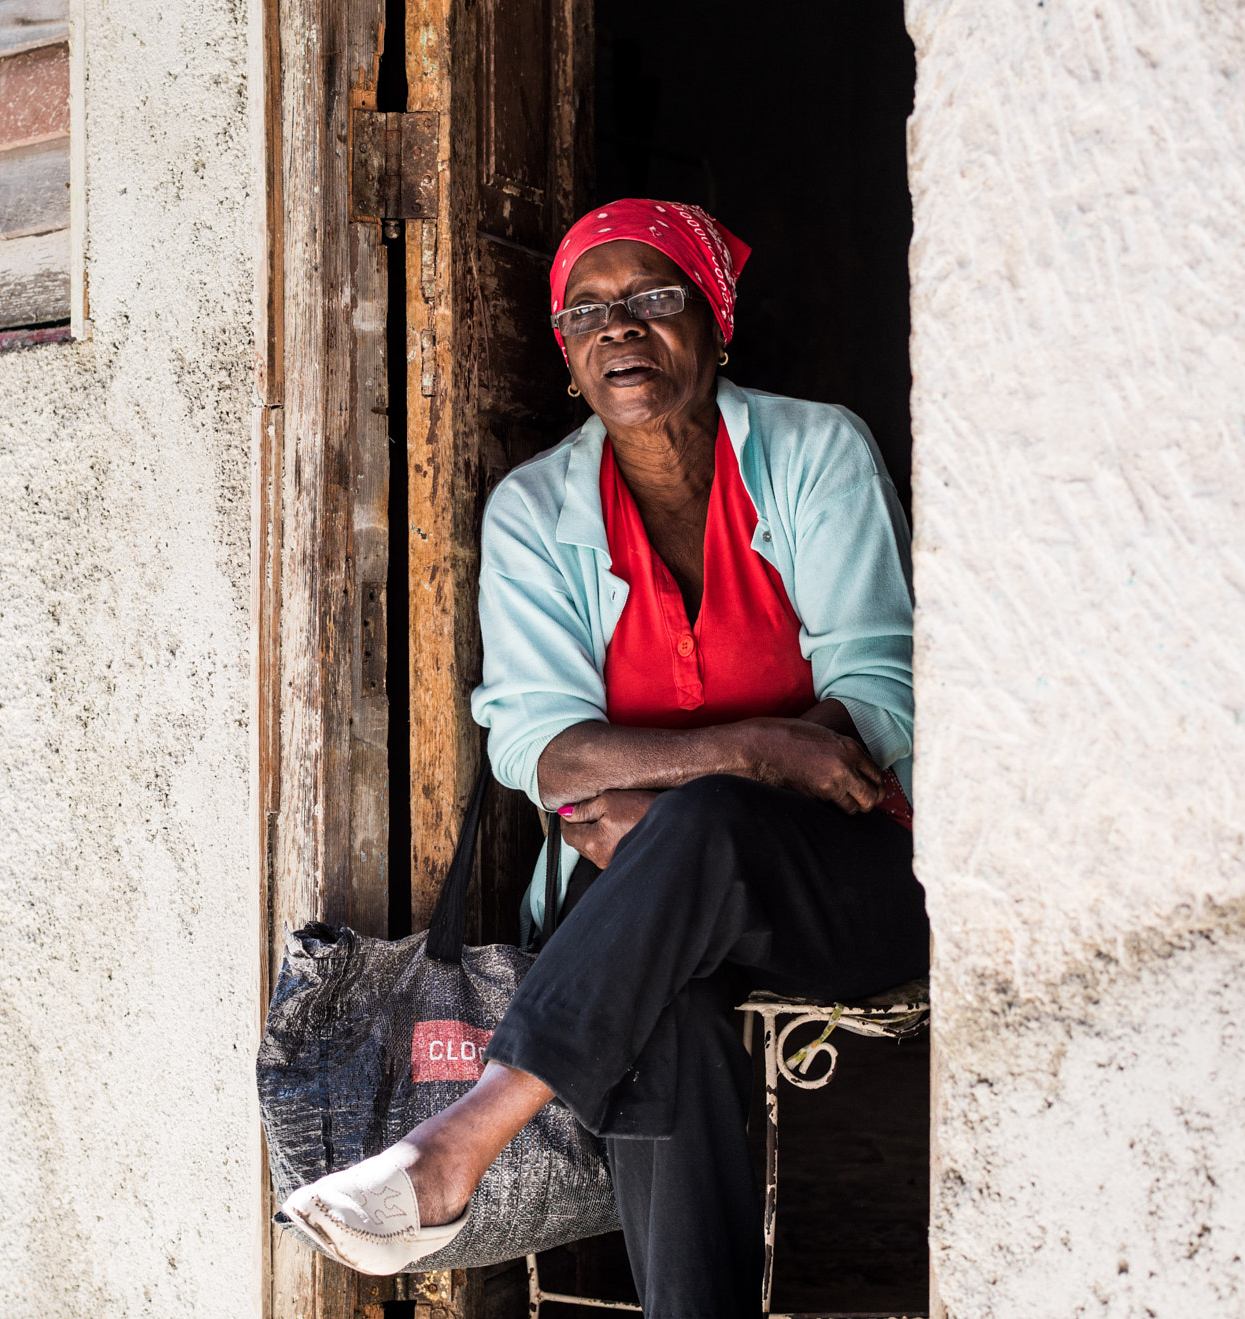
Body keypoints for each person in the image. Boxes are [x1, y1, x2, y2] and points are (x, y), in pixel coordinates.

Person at [279, 199, 928, 1316]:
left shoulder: (814, 451)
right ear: (569, 358)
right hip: (645, 917)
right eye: (587, 311)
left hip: (846, 881)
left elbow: (878, 695)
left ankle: (454, 1141)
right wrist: (759, 746)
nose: (618, 326)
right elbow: (540, 745)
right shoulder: (537, 508)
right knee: (665, 1010)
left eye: (653, 298)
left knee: (704, 827)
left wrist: (679, 795)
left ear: (715, 325)